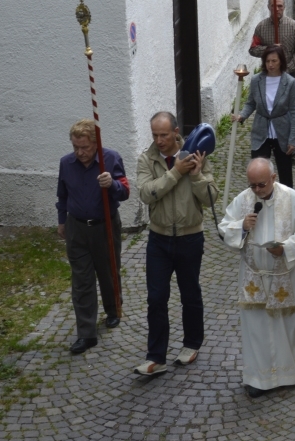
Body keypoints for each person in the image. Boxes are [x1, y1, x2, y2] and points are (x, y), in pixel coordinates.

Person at [220, 157, 295, 397]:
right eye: (252, 185)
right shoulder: (243, 200)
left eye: (261, 185)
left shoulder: (291, 198)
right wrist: (242, 227)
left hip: (284, 274)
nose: (256, 190)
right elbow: (224, 228)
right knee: (256, 328)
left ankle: (288, 372)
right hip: (253, 277)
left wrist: (285, 248)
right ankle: (258, 379)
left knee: (285, 325)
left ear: (274, 178)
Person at [135, 111, 215, 376]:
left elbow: (211, 198)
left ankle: (191, 343)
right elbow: (147, 194)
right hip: (158, 239)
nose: (159, 140)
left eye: (164, 135)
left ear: (176, 132)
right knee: (156, 298)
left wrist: (195, 174)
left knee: (190, 293)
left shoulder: (197, 154)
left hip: (190, 237)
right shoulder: (147, 159)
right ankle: (155, 357)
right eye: (155, 135)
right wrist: (175, 172)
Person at [56, 119, 130, 353]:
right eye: (76, 147)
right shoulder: (66, 164)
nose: (80, 152)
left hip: (104, 225)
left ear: (96, 144)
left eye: (85, 147)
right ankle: (86, 333)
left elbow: (125, 191)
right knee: (81, 281)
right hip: (76, 228)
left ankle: (112, 309)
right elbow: (62, 194)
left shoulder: (111, 159)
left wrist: (112, 185)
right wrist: (61, 220)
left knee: (108, 271)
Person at [232, 45, 295, 188]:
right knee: (258, 169)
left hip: (282, 131)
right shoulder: (257, 80)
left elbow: (294, 111)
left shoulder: (289, 82)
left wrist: (292, 139)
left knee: (285, 173)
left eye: (274, 61)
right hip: (261, 129)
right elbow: (251, 103)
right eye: (268, 61)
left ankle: (287, 203)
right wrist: (241, 116)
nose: (270, 64)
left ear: (281, 61)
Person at [249, 0, 295, 81]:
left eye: (279, 6)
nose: (276, 9)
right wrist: (270, 49)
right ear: (268, 7)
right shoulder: (261, 27)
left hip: (289, 75)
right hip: (268, 75)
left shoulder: (294, 27)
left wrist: (286, 70)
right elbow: (253, 49)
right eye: (273, 6)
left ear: (284, 7)